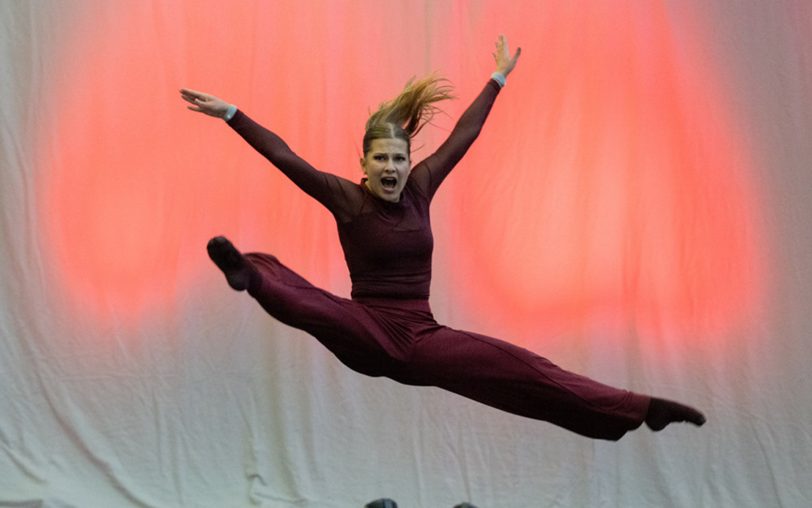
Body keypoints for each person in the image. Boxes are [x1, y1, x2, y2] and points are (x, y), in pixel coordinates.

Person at [179, 36, 705, 440]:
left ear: (410, 163)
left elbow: (464, 135)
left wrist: (497, 77)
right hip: (366, 328)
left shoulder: (422, 187)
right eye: (381, 159)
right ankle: (248, 274)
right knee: (316, 306)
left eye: (399, 159)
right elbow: (284, 155)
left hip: (422, 338)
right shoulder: (347, 199)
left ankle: (638, 409)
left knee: (523, 367)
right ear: (362, 164)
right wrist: (231, 114)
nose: (392, 167)